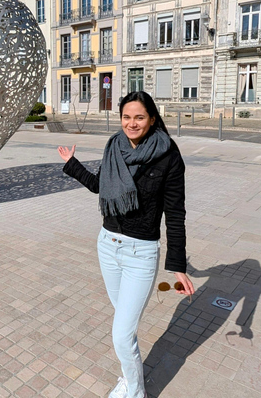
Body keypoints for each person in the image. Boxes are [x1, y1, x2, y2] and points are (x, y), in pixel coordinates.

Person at [57, 91, 194, 398]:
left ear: (152, 119)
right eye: (126, 117)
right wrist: (72, 163)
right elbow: (98, 186)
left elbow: (175, 213)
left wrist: (177, 266)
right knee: (125, 328)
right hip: (107, 246)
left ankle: (134, 391)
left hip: (140, 253)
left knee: (121, 334)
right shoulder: (114, 147)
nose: (131, 124)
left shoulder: (168, 155)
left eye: (139, 117)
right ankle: (130, 377)